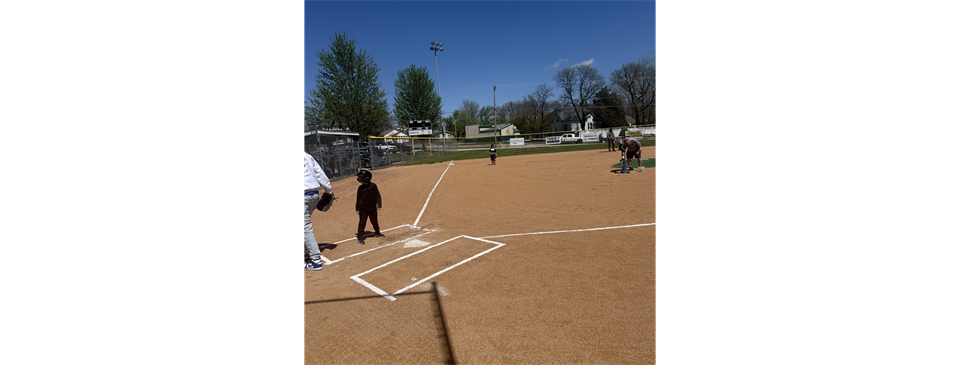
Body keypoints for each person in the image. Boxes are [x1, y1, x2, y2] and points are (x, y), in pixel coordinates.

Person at [304, 151, 333, 271]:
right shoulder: (307, 156)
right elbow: (319, 173)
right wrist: (328, 190)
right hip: (313, 195)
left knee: (305, 227)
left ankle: (316, 260)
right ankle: (305, 251)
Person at [355, 170, 383, 245]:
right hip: (363, 209)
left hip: (372, 208)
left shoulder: (373, 186)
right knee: (362, 223)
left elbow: (377, 195)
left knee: (374, 221)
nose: (359, 179)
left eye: (360, 178)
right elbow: (358, 198)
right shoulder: (360, 188)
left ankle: (377, 232)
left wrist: (379, 204)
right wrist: (357, 208)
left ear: (366, 179)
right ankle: (360, 237)